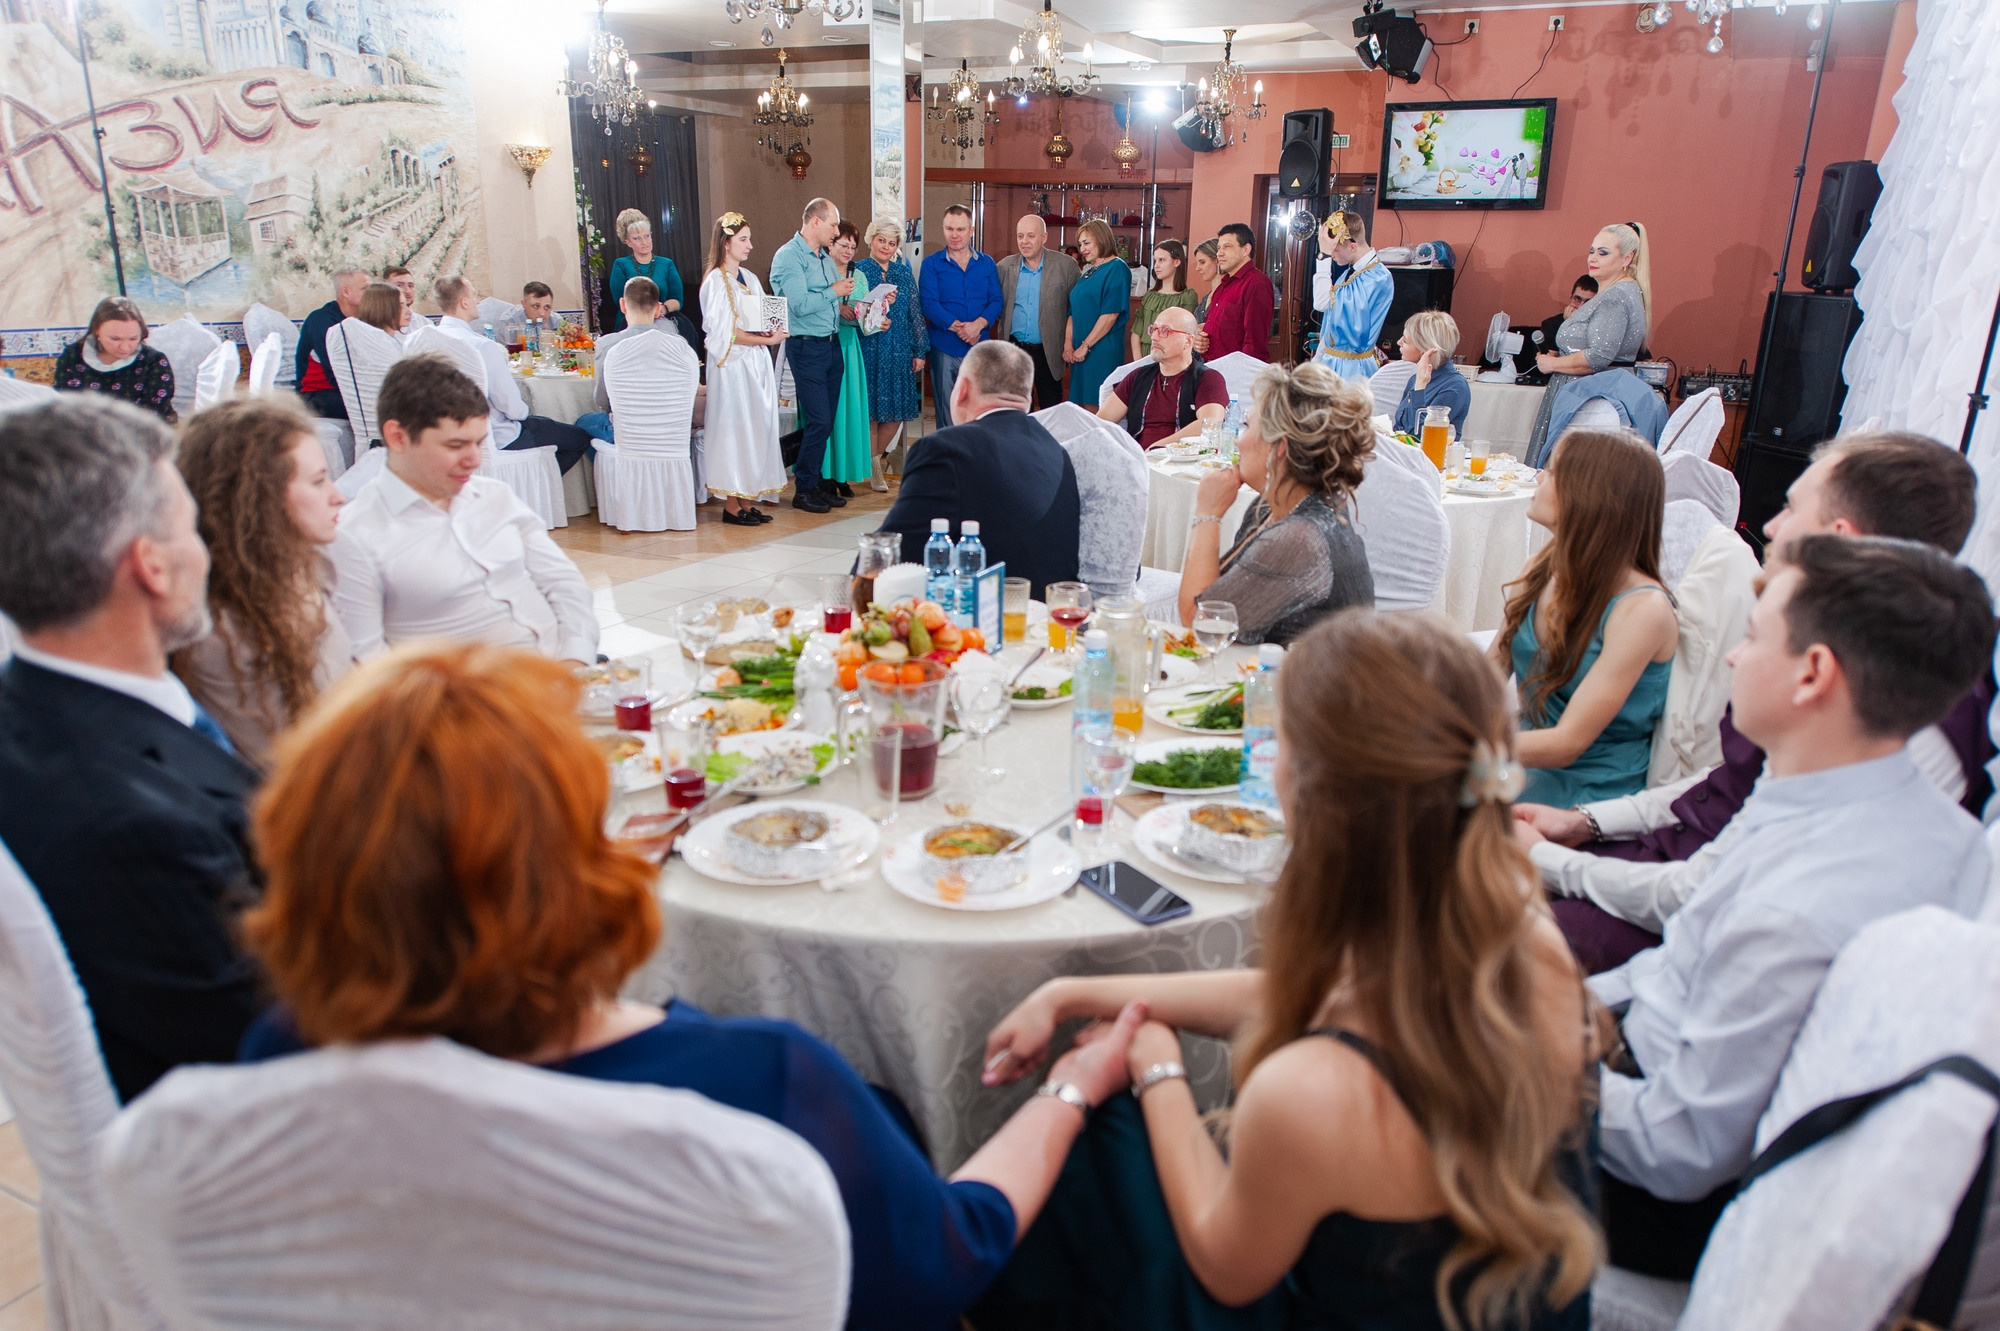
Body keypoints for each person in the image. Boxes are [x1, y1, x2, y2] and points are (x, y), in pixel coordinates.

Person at [236, 639, 1150, 1331]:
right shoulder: (756, 1087)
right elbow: (953, 1255)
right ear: (574, 865)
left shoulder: (276, 1065)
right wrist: (1075, 1087)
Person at [974, 611, 1601, 1331]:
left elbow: (1224, 1265)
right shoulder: (1526, 934)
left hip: (1274, 1288)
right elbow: (1328, 999)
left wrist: (1157, 1067)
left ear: (1315, 795)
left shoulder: (1312, 1091)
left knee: (1094, 1145)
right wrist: (1072, 991)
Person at [1589, 533, 1994, 1281]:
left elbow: (1675, 1150)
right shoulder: (1898, 808)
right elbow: (1675, 969)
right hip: (1642, 1051)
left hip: (1648, 1192)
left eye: (1751, 635)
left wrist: (1526, 1060)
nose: (1735, 658)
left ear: (1813, 673)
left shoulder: (1797, 907)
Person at [1516, 431, 1989, 973]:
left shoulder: (1907, 717)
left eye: (1789, 507)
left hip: (1709, 914)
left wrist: (1549, 860)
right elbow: (1720, 786)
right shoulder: (1814, 647)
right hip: (1675, 849)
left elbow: (1719, 896)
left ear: (1839, 537)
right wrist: (1585, 824)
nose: (1769, 526)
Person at [0, 396, 260, 1102]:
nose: (205, 552)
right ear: (150, 565)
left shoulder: (29, 708)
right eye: (191, 529)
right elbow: (266, 1040)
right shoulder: (129, 826)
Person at [330, 356, 597, 664]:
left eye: (479, 443)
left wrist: (575, 658)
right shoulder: (356, 535)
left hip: (565, 668)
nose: (474, 460)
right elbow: (368, 665)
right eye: (456, 446)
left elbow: (564, 582)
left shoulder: (494, 496)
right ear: (397, 437)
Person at [171, 396, 356, 772]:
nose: (338, 496)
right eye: (319, 481)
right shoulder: (221, 626)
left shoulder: (304, 565)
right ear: (257, 499)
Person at [1497, 430, 1677, 808]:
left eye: (1552, 469)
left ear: (1590, 494)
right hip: (1519, 761)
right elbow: (1486, 673)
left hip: (1588, 792)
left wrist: (1461, 744)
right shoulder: (1539, 568)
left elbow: (1567, 744)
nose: (1538, 477)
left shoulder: (1643, 609)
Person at [1177, 362, 1375, 645]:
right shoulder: (1270, 507)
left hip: (1316, 686)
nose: (1239, 442)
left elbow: (1202, 624)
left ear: (1278, 446)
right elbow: (1220, 596)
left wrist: (1208, 513)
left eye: (1247, 427)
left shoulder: (1300, 538)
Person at [875, 341, 1081, 597]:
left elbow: (891, 555)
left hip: (986, 620)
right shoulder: (1056, 450)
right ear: (1027, 399)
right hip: (1053, 616)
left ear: (961, 390)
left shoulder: (945, 448)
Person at [432, 274, 591, 474]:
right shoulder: (482, 346)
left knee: (544, 423)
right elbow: (513, 409)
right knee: (578, 438)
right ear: (464, 303)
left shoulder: (423, 339)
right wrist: (524, 414)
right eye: (474, 295)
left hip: (444, 436)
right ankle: (537, 489)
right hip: (495, 435)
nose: (478, 301)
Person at [1527, 224, 1651, 457]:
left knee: (1570, 477)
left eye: (1603, 253)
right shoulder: (1623, 292)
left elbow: (1598, 357)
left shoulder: (1615, 296)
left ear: (1627, 258)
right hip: (1586, 396)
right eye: (1592, 251)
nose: (1593, 258)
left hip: (1589, 403)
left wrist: (1552, 364)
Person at [699, 215, 787, 526]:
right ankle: (732, 504)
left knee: (755, 427)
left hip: (755, 363)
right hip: (733, 366)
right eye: (743, 240)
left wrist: (771, 332)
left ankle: (748, 498)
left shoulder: (748, 278)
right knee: (735, 429)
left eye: (749, 239)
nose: (750, 246)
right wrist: (764, 340)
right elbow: (724, 335)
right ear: (726, 243)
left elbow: (761, 316)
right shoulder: (715, 281)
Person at [769, 198, 854, 514]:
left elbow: (833, 303)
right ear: (815, 222)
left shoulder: (823, 257)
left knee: (826, 420)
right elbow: (800, 304)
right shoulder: (789, 257)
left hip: (831, 345)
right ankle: (803, 488)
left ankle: (815, 481)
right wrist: (835, 290)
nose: (836, 230)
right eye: (833, 224)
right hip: (806, 347)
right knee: (818, 419)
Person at [920, 204, 1004, 428]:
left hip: (979, 348)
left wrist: (978, 325)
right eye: (949, 229)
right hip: (944, 346)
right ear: (943, 229)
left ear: (971, 230)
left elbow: (996, 300)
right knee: (947, 410)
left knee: (979, 410)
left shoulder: (986, 263)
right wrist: (961, 328)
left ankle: (975, 460)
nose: (954, 235)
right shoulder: (930, 264)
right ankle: (949, 460)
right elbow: (929, 304)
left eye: (960, 229)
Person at [857, 219, 924, 490]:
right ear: (871, 240)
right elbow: (855, 310)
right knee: (871, 410)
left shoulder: (903, 273)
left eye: (892, 242)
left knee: (896, 412)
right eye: (881, 240)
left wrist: (919, 350)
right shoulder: (859, 270)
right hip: (869, 346)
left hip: (898, 348)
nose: (886, 246)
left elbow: (914, 313)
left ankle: (879, 457)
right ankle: (874, 468)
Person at [1099, 307, 1227, 449]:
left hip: (1181, 464)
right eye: (1153, 329)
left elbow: (1210, 424)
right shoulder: (1137, 377)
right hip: (1137, 461)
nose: (1154, 337)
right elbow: (1100, 422)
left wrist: (1158, 447)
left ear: (1188, 340)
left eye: (1165, 331)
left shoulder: (1207, 379)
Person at [995, 214, 1081, 412]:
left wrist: (1069, 343)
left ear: (1044, 237)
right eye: (1020, 236)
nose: (1024, 241)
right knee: (1018, 409)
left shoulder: (1066, 266)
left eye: (1030, 236)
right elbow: (996, 305)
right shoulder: (1004, 267)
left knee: (1051, 409)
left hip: (1049, 350)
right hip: (1015, 349)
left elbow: (1075, 310)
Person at [52, 297, 177, 423]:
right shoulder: (72, 356)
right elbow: (64, 404)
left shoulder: (153, 362)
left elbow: (152, 415)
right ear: (96, 330)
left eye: (133, 339)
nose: (124, 347)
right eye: (115, 339)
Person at [824, 219, 878, 498]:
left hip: (851, 345)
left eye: (853, 247)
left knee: (850, 411)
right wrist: (837, 309)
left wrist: (879, 316)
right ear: (831, 243)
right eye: (843, 245)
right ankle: (826, 474)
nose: (848, 251)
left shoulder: (859, 274)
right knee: (829, 413)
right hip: (827, 342)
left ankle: (843, 474)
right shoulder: (820, 269)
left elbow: (867, 314)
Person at [1309, 211, 1393, 380]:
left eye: (1334, 249)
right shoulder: (1350, 274)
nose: (1332, 255)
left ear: (1353, 246)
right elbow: (1330, 327)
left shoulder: (1376, 278)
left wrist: (1323, 257)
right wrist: (1316, 363)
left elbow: (1322, 303)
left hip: (1353, 370)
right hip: (1333, 364)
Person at [1062, 220, 1131, 407]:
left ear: (1101, 239)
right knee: (1080, 407)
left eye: (1087, 242)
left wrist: (1085, 346)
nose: (1082, 248)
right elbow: (1073, 312)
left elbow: (1110, 315)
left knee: (1097, 407)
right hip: (1079, 352)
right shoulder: (1088, 273)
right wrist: (1068, 345)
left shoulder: (1117, 268)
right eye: (1080, 244)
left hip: (1100, 350)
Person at [297, 266, 372, 420]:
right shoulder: (321, 320)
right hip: (316, 394)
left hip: (347, 389)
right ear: (346, 291)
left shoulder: (364, 319)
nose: (372, 294)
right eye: (366, 289)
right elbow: (336, 370)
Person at [1201, 223, 1275, 362]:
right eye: (1218, 248)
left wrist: (1241, 376)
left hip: (1235, 373)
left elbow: (1254, 342)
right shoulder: (1225, 283)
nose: (1219, 253)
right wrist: (1201, 339)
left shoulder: (1257, 283)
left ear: (1246, 249)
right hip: (1213, 368)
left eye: (1227, 247)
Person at [1390, 311, 1472, 436]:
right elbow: (1401, 428)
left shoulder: (1455, 386)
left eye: (1405, 341)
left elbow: (1422, 435)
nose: (1398, 342)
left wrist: (1420, 388)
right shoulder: (1414, 379)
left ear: (1424, 349)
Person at [606, 207, 686, 333]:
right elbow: (620, 301)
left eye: (647, 236)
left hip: (662, 322)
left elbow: (678, 299)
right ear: (628, 242)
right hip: (629, 325)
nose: (644, 242)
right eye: (637, 238)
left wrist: (662, 309)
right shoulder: (620, 264)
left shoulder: (667, 264)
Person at [1131, 240, 1197, 360]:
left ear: (1177, 262)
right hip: (1146, 355)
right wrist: (1138, 365)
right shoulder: (1150, 295)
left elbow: (1184, 336)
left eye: (1162, 260)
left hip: (1171, 358)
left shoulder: (1187, 296)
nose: (1156, 265)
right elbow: (1136, 333)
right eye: (1155, 260)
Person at [382, 265, 431, 332]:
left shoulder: (425, 324)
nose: (407, 291)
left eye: (410, 286)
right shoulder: (374, 324)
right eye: (399, 285)